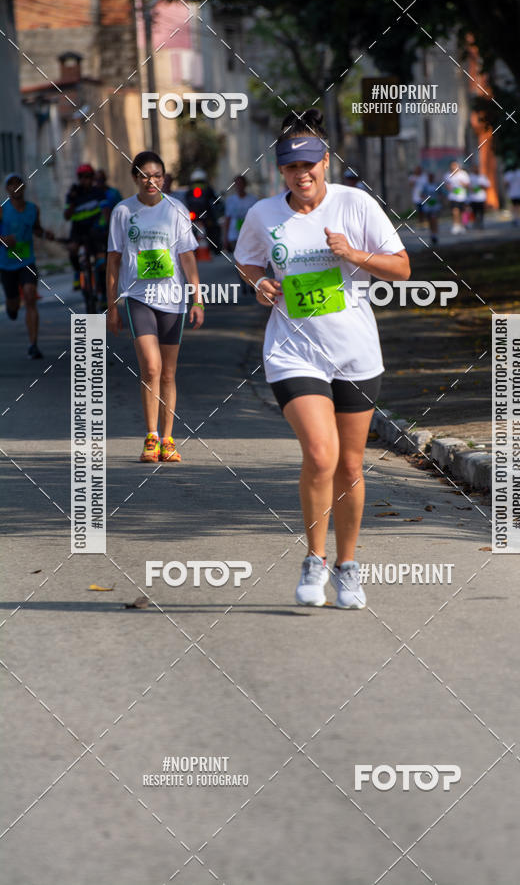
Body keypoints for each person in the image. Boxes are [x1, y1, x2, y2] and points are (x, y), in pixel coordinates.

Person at [235, 109, 410, 610]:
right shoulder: (264, 215)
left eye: (309, 164)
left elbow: (400, 268)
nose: (302, 174)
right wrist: (260, 282)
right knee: (320, 454)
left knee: (350, 466)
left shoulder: (356, 205)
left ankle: (347, 567)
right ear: (280, 171)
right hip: (293, 352)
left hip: (355, 354)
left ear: (325, 162)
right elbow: (248, 261)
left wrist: (354, 255)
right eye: (292, 167)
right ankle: (314, 558)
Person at [106, 151, 204, 463]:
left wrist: (197, 298)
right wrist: (111, 306)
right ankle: (150, 437)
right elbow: (114, 259)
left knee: (169, 373)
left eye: (158, 175)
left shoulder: (176, 209)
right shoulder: (123, 211)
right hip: (139, 297)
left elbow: (187, 257)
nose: (152, 181)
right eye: (146, 175)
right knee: (151, 366)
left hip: (173, 300)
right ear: (135, 177)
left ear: (164, 178)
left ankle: (168, 438)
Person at [0, 173, 54, 359]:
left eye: (18, 184)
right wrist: (3, 240)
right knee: (14, 304)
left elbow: (36, 229)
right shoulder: (2, 210)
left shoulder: (33, 209)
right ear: (7, 189)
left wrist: (46, 234)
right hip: (6, 265)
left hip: (27, 262)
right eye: (11, 184)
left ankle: (33, 345)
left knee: (30, 296)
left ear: (23, 187)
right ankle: (11, 308)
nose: (15, 187)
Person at [64, 163, 109, 293]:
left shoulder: (98, 193)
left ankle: (103, 295)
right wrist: (72, 201)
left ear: (92, 178)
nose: (85, 180)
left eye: (88, 176)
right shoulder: (73, 194)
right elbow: (67, 216)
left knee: (101, 263)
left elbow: (105, 210)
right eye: (82, 177)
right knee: (72, 249)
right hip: (78, 230)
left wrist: (107, 226)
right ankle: (77, 273)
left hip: (95, 229)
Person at [183, 169, 222, 254]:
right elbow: (216, 201)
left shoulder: (189, 190)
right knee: (213, 229)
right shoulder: (208, 189)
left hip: (195, 216)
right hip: (205, 215)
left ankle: (191, 250)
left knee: (191, 231)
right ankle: (215, 249)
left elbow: (185, 201)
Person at [223, 175, 258, 253]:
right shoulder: (230, 200)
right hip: (234, 235)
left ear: (245, 185)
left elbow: (257, 219)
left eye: (241, 183)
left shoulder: (253, 200)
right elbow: (227, 219)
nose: (239, 186)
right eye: (237, 184)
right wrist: (226, 238)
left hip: (249, 235)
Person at [443, 161, 470, 234]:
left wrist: (462, 183)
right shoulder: (447, 175)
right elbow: (446, 185)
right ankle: (456, 225)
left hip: (462, 196)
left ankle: (462, 225)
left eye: (455, 166)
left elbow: (468, 185)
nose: (454, 167)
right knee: (455, 211)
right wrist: (448, 187)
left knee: (462, 212)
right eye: (452, 166)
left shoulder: (463, 174)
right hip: (453, 196)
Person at [420, 172, 441, 244]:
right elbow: (422, 194)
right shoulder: (425, 186)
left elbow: (441, 193)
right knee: (429, 220)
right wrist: (426, 199)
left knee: (434, 218)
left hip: (435, 205)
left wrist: (439, 199)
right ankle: (432, 233)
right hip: (428, 205)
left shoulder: (436, 185)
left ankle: (435, 233)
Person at [468, 163, 491, 229]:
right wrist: (471, 188)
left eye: (477, 168)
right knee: (474, 211)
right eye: (474, 168)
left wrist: (482, 186)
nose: (476, 170)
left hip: (481, 197)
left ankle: (481, 222)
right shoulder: (470, 177)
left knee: (481, 211)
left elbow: (488, 186)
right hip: (473, 198)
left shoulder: (482, 177)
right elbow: (467, 186)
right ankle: (475, 222)